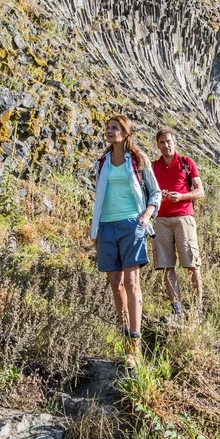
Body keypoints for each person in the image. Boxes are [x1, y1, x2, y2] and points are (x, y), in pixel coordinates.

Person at [90, 115, 162, 367]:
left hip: (132, 225)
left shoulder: (139, 160)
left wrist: (145, 216)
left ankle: (135, 344)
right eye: (107, 128)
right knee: (115, 284)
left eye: (114, 128)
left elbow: (155, 192)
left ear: (125, 132)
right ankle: (124, 338)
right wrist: (95, 230)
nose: (108, 132)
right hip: (107, 226)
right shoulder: (103, 161)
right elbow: (99, 197)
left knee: (132, 282)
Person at [152, 128, 205, 320]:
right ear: (157, 145)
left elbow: (200, 191)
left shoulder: (186, 163)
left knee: (192, 264)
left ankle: (198, 309)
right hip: (161, 220)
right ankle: (177, 309)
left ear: (175, 142)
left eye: (168, 141)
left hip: (184, 217)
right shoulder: (153, 167)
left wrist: (181, 196)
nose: (166, 145)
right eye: (162, 142)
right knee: (166, 265)